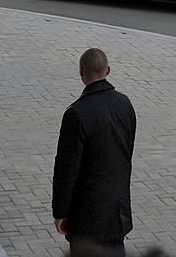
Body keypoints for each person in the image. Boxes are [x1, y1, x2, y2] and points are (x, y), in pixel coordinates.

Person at [53, 49, 137, 257]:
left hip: (86, 215)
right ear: (108, 70)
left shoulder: (76, 113)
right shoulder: (124, 104)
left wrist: (61, 212)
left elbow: (67, 168)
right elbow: (127, 152)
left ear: (81, 72)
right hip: (117, 210)